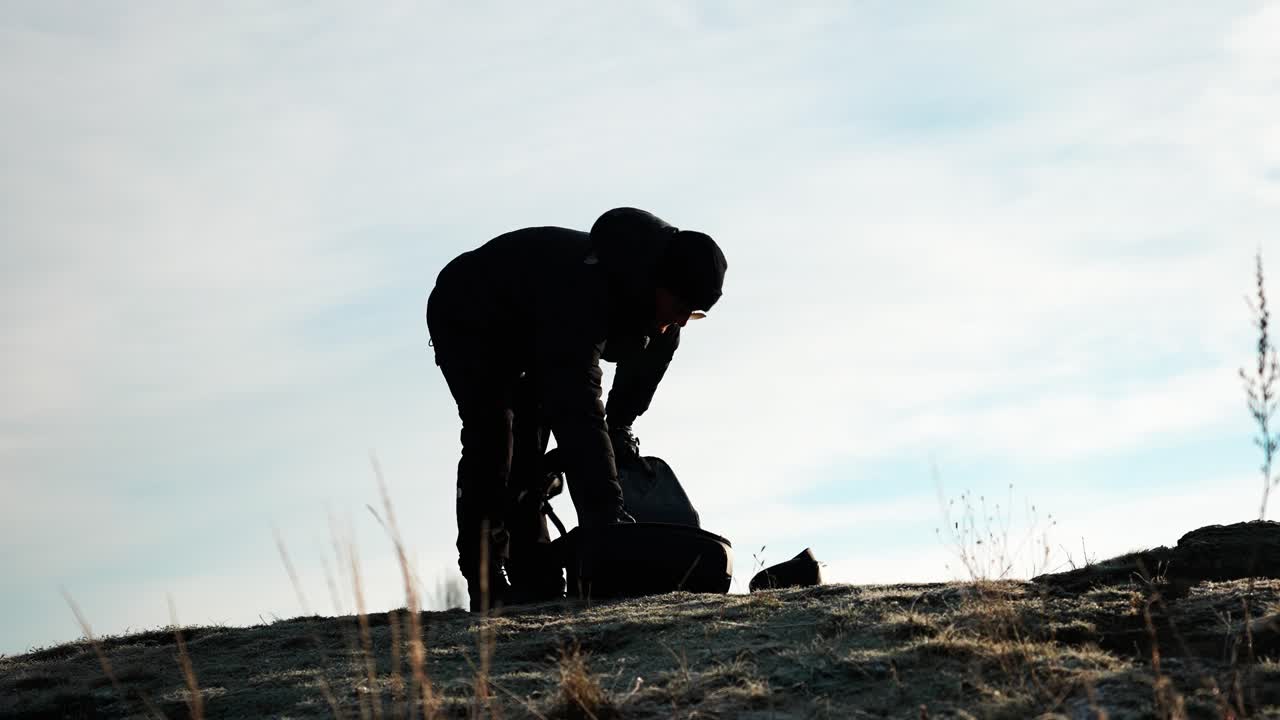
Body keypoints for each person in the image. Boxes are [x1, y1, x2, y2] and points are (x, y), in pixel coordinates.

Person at [425, 207, 727, 612]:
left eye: (693, 313)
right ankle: (486, 575)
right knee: (495, 436)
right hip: (470, 312)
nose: (682, 322)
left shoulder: (665, 325)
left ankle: (534, 577)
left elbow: (624, 401)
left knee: (531, 451)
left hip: (536, 333)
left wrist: (619, 431)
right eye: (680, 307)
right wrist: (608, 523)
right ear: (660, 282)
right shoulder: (587, 289)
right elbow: (579, 411)